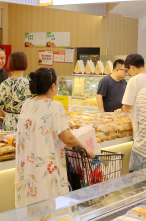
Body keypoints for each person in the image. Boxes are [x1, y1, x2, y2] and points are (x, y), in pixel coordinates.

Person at [15, 68, 93, 207]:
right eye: (57, 82)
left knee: (29, 207)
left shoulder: (27, 104)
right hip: (46, 167)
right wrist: (85, 148)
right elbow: (67, 138)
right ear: (52, 86)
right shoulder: (55, 106)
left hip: (27, 167)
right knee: (50, 206)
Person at [0, 51, 32, 131]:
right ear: (25, 63)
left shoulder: (3, 84)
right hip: (25, 124)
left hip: (8, 125)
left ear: (10, 64)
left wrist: (7, 116)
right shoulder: (29, 85)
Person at [120, 54, 146, 136]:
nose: (129, 73)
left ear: (132, 67)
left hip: (141, 127)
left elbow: (127, 105)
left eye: (128, 70)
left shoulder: (134, 80)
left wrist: (122, 110)